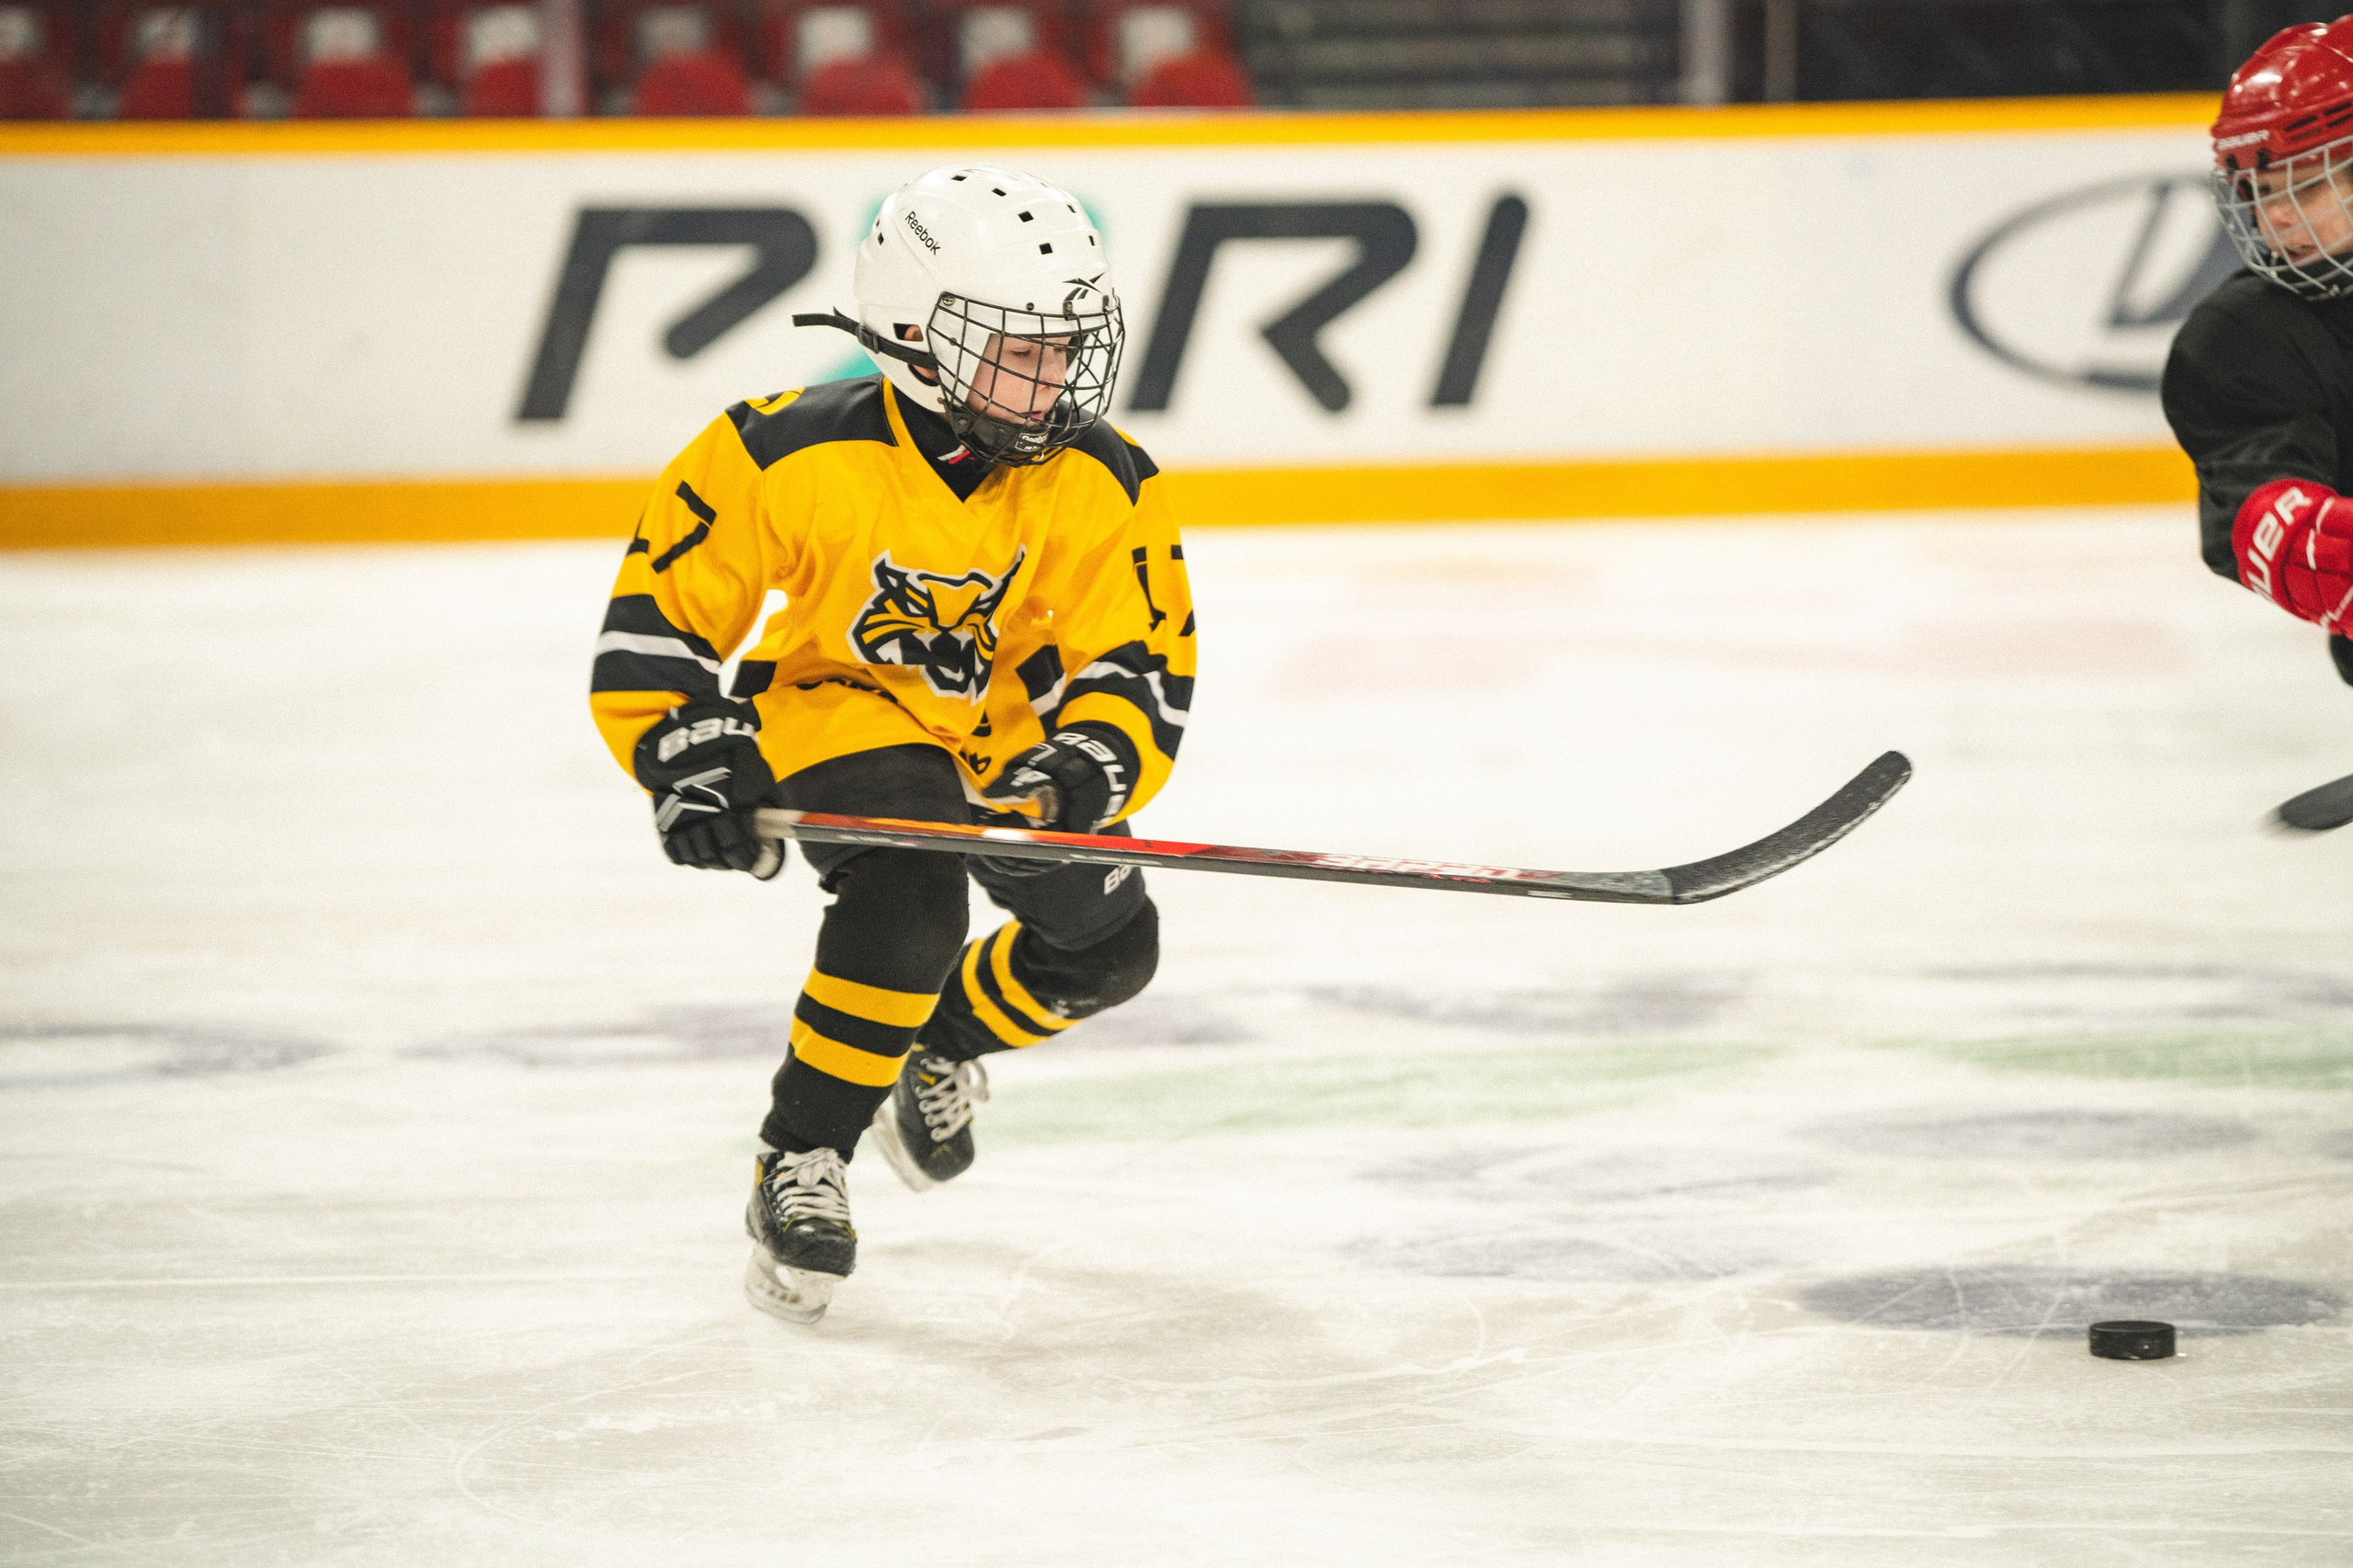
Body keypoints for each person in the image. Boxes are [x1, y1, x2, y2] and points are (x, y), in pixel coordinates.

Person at [587, 165, 1194, 1324]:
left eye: (1066, 346)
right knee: (910, 900)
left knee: (1112, 952)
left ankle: (937, 1040)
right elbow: (658, 625)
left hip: (1004, 738)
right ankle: (800, 1154)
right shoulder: (778, 452)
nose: (1056, 375)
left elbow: (1141, 657)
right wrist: (691, 753)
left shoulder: (1102, 476)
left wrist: (1084, 764)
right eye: (1021, 347)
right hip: (841, 709)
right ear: (917, 338)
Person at [2163, 17, 2353, 691]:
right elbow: (2267, 518)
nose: (2275, 219)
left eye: (2304, 186)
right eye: (2262, 192)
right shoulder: (2244, 337)